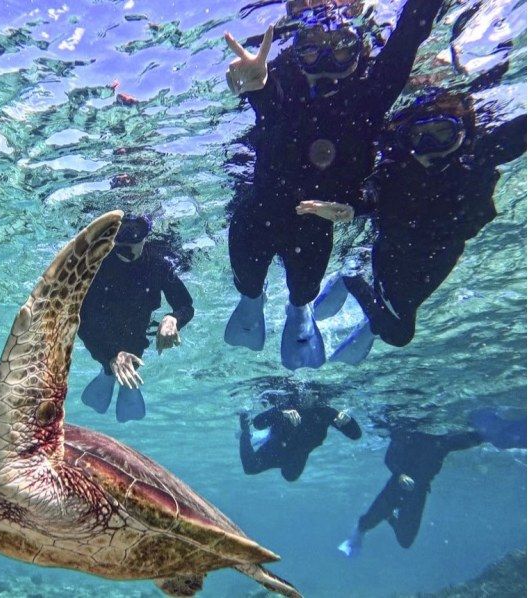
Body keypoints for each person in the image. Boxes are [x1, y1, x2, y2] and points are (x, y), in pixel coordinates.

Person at [223, 0, 447, 370]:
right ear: (297, 52)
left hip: (316, 219)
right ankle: (252, 302)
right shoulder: (281, 79)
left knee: (303, 292)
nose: (327, 62)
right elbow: (274, 106)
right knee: (247, 283)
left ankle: (299, 311)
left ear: (359, 49)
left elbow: (408, 36)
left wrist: (357, 206)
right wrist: (258, 86)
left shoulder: (371, 95)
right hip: (260, 209)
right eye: (311, 48)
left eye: (342, 47)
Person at [305, 88, 527, 364]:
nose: (430, 146)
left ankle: (373, 314)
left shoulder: (478, 157)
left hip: (444, 249)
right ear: (407, 139)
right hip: (395, 248)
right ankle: (351, 278)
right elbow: (370, 196)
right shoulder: (396, 171)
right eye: (420, 137)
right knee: (398, 333)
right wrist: (349, 209)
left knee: (397, 321)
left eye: (442, 133)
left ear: (462, 134)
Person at [77, 215, 194, 422]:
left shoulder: (158, 264)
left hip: (138, 325)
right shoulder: (97, 265)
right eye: (122, 233)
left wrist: (173, 319)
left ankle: (119, 376)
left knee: (134, 347)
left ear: (145, 236)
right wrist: (110, 357)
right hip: (103, 327)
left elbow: (186, 305)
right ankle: (107, 372)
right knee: (114, 356)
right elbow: (83, 320)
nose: (128, 243)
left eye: (135, 232)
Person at [338, 426, 498, 555]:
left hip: (419, 490)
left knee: (405, 541)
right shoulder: (407, 434)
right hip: (397, 485)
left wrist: (489, 433)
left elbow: (471, 439)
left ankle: (388, 515)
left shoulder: (442, 441)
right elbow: (389, 458)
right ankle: (360, 533)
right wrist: (400, 474)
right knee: (365, 524)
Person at [238, 401, 361, 481]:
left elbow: (355, 435)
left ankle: (255, 435)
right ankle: (249, 433)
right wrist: (348, 422)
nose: (310, 399)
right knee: (252, 467)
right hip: (278, 445)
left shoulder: (323, 412)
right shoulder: (296, 405)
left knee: (290, 476)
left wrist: (348, 421)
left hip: (287, 449)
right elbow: (258, 423)